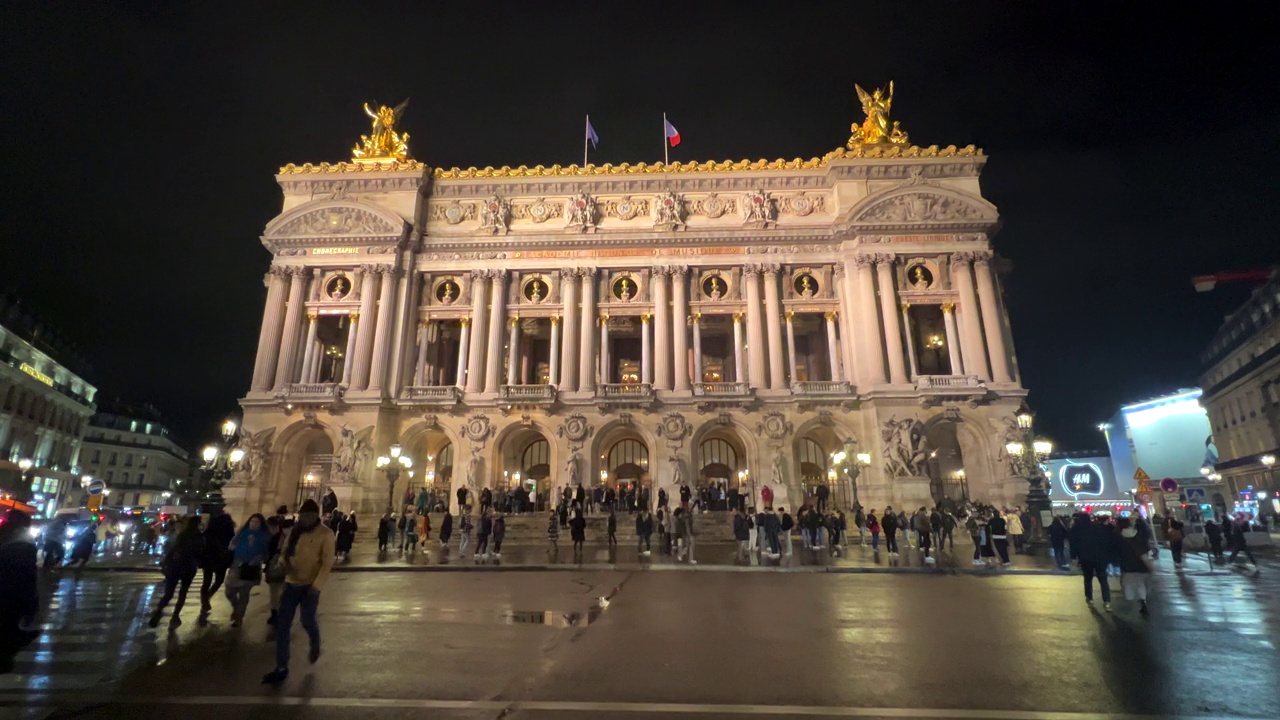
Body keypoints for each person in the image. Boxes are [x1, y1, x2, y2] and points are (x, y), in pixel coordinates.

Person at [262, 499, 334, 685]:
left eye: (308, 515)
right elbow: (285, 552)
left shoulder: (326, 534)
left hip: (310, 586)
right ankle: (281, 667)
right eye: (303, 514)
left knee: (306, 620)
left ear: (315, 516)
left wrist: (316, 586)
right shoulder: (295, 531)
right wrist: (282, 566)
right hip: (291, 582)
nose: (305, 518)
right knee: (283, 625)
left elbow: (327, 563)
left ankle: (315, 642)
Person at [0, 509, 39, 674]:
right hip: (9, 599)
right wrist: (31, 606)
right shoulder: (25, 544)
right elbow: (27, 578)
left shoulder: (5, 535)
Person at [149, 516, 203, 629]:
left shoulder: (182, 536)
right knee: (182, 593)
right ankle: (175, 617)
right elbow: (200, 554)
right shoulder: (199, 537)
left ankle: (159, 610)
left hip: (176, 566)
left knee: (169, 593)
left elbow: (172, 550)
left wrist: (166, 562)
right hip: (189, 567)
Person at [225, 514, 270, 627]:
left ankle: (239, 617)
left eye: (257, 522)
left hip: (251, 568)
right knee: (229, 591)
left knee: (244, 594)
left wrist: (257, 559)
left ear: (261, 524)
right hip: (237, 565)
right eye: (252, 521)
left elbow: (266, 554)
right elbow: (231, 546)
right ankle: (236, 608)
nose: (254, 524)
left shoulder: (264, 537)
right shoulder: (241, 534)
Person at [198, 510, 236, 626]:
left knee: (206, 582)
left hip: (209, 558)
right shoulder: (229, 530)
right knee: (218, 581)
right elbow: (232, 544)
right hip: (221, 560)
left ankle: (205, 601)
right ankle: (208, 597)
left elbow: (204, 543)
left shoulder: (210, 530)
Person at [1071, 513, 1113, 611]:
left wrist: (1074, 557)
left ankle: (1089, 597)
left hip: (1085, 557)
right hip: (1100, 557)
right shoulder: (1098, 527)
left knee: (1088, 578)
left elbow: (1073, 544)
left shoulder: (1076, 529)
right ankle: (1107, 601)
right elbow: (1105, 542)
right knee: (1103, 579)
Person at [1115, 516, 1152, 615]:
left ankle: (1131, 602)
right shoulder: (1139, 535)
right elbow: (1146, 547)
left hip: (1127, 564)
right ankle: (1143, 601)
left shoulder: (1118, 536)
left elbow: (1116, 551)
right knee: (1140, 584)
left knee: (1127, 585)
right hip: (1141, 563)